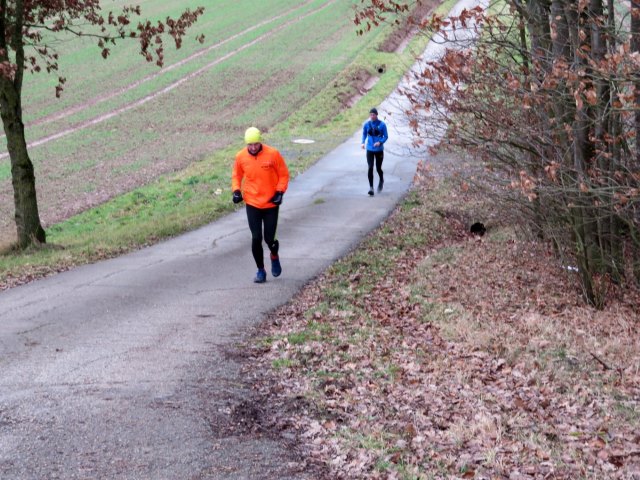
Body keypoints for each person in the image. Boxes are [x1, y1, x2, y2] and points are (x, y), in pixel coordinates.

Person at [232, 127, 290, 283]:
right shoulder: (241, 157)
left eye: (255, 144)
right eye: (250, 144)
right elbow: (236, 176)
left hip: (271, 203)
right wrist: (236, 191)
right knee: (256, 237)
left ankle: (274, 255)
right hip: (252, 202)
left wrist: (279, 192)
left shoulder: (273, 154)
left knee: (269, 239)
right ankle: (260, 271)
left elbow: (284, 175)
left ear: (260, 141)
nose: (252, 147)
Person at [361, 107, 389, 196]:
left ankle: (381, 180)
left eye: (373, 115)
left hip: (379, 150)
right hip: (369, 149)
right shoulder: (367, 124)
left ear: (376, 115)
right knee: (370, 167)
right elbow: (364, 134)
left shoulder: (382, 125)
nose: (372, 116)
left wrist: (380, 142)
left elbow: (386, 136)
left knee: (378, 168)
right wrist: (362, 142)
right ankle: (371, 188)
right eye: (370, 115)